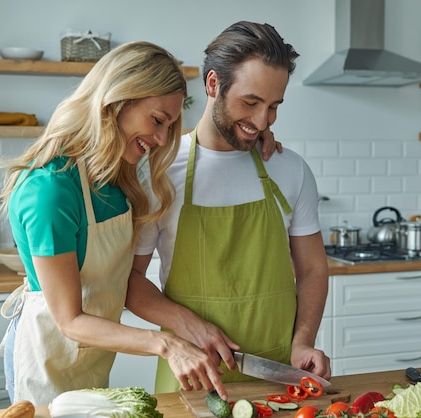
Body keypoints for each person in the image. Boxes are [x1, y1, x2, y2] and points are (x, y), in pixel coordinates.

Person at [0, 41, 230, 406]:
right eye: (158, 120)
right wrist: (164, 343)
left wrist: (191, 327)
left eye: (169, 125)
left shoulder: (115, 179)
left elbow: (123, 286)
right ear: (118, 100)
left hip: (93, 361)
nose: (162, 138)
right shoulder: (50, 191)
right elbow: (71, 320)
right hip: (45, 363)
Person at [126, 21, 331, 395]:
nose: (261, 121)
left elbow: (314, 268)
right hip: (191, 375)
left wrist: (302, 341)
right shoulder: (158, 173)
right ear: (212, 85)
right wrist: (188, 326)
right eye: (251, 102)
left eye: (273, 107)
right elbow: (131, 281)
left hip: (276, 373)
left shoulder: (289, 169)